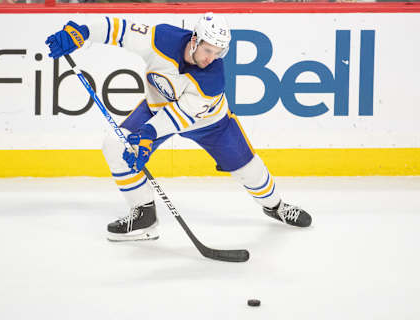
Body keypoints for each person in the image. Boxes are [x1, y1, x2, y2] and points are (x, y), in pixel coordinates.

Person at [45, 13, 312, 242]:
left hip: (211, 123)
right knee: (115, 146)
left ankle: (275, 206)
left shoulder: (213, 78)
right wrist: (83, 32)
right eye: (208, 50)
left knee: (249, 170)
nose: (211, 58)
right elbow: (120, 30)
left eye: (218, 53)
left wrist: (147, 135)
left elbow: (180, 116)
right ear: (195, 39)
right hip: (156, 109)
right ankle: (144, 215)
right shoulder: (162, 39)